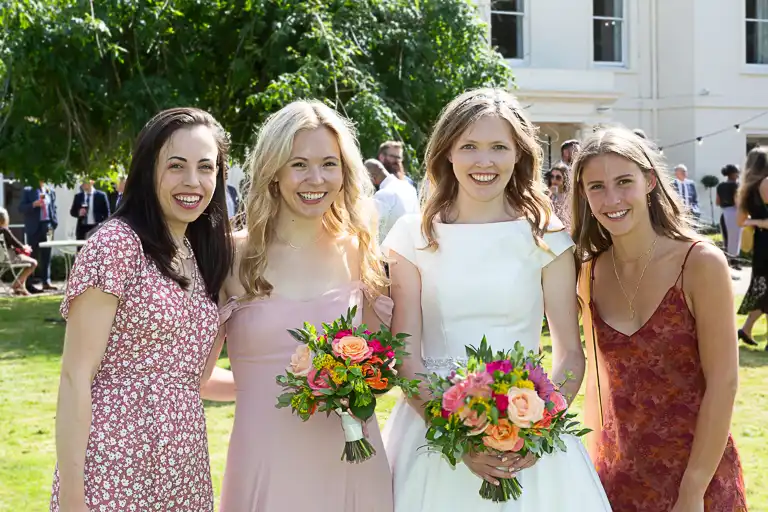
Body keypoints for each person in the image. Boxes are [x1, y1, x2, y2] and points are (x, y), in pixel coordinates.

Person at [381, 88, 610, 511]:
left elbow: (569, 355)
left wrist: (535, 429)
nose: (483, 162)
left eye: (498, 147)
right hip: (433, 436)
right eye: (469, 146)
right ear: (448, 152)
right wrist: (458, 437)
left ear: (519, 155)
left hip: (530, 439)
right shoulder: (412, 238)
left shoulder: (548, 239)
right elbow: (407, 359)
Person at [201, 100, 393, 511]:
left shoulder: (360, 250)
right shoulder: (232, 257)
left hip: (351, 459)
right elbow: (196, 377)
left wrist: (348, 382)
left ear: (344, 173)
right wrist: (259, 388)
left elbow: (385, 364)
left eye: (329, 163)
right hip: (265, 459)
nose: (316, 178)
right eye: (299, 164)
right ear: (274, 172)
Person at [50, 107, 234, 512]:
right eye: (176, 166)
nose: (192, 181)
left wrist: (277, 384)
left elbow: (191, 378)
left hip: (182, 467)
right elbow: (75, 376)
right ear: (148, 170)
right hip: (111, 465)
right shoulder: (116, 245)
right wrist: (73, 498)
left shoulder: (202, 256)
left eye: (206, 167)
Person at [572, 126, 747, 511]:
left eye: (623, 182)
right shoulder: (588, 274)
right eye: (596, 187)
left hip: (700, 477)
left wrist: (693, 489)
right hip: (619, 479)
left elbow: (724, 383)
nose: (611, 199)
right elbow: (597, 386)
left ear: (649, 181)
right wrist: (592, 470)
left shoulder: (699, 263)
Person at [737, 146, 768, 349]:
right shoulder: (767, 183)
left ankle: (746, 329)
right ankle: (746, 329)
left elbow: (741, 221)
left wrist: (756, 222)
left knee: (764, 288)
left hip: (761, 243)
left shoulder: (745, 189)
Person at [365, 158, 419, 242]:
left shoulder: (382, 195)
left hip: (390, 250)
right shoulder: (409, 187)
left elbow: (370, 225)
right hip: (412, 243)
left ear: (373, 178)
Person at [19, 180, 58, 291]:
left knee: (47, 254)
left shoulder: (50, 191)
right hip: (34, 227)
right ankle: (29, 284)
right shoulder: (28, 190)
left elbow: (53, 207)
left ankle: (46, 281)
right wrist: (33, 204)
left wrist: (54, 222)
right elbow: (21, 208)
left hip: (48, 226)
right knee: (32, 255)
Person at [0, 206, 37, 296]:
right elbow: (16, 243)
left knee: (26, 260)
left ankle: (20, 288)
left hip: (2, 258)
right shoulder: (4, 231)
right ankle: (16, 285)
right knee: (33, 263)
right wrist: (25, 247)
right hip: (9, 257)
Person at [717, 164, 742, 266]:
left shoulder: (720, 186)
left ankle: (727, 263)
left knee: (726, 240)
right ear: (733, 173)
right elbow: (738, 202)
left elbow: (717, 202)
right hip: (734, 213)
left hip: (724, 214)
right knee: (735, 240)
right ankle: (734, 263)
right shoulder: (736, 185)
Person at [544, 162, 572, 232]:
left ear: (565, 179)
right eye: (552, 177)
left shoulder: (570, 197)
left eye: (558, 177)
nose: (554, 180)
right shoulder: (548, 195)